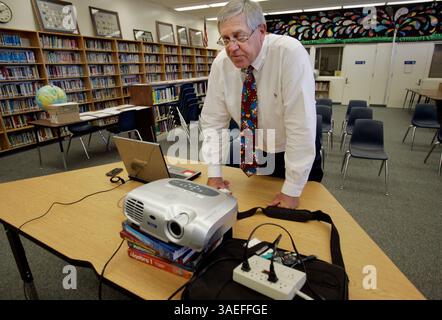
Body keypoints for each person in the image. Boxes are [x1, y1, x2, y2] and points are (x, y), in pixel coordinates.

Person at [200, 0, 322, 209]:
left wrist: (292, 190)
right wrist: (214, 174)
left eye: (240, 36)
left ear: (262, 31)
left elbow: (301, 126)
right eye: (226, 39)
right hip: (252, 145)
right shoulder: (222, 63)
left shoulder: (289, 53)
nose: (232, 47)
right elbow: (213, 121)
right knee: (251, 205)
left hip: (292, 151)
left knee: (295, 221)